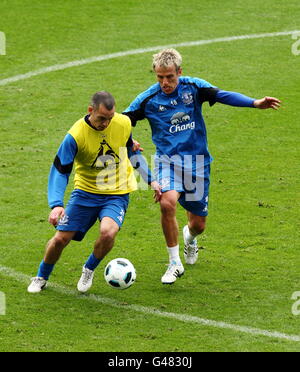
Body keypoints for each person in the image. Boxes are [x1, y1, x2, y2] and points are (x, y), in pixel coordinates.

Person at [123, 48, 281, 285]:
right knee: (167, 202)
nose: (165, 82)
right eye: (160, 77)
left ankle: (190, 238)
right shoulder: (148, 99)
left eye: (170, 77)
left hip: (197, 164)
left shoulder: (193, 87)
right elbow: (121, 121)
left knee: (198, 225)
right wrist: (127, 139)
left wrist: (255, 103)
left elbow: (222, 95)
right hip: (168, 163)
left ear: (179, 72)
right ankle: (174, 263)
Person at [28, 91, 157, 293]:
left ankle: (89, 269)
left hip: (116, 192)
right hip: (85, 192)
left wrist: (151, 180)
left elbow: (131, 150)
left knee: (108, 232)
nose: (106, 124)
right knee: (61, 239)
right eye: (101, 118)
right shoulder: (76, 136)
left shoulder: (123, 123)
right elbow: (60, 170)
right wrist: (56, 205)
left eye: (110, 118)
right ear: (91, 110)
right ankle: (41, 276)